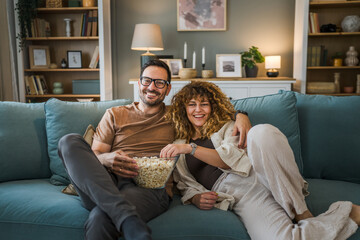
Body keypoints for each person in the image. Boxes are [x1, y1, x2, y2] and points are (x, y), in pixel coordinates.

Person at [58, 60, 251, 240]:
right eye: (147, 80)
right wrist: (107, 159)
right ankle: (127, 218)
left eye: (159, 83)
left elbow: (208, 108)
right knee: (69, 141)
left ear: (167, 89)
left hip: (149, 188)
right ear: (139, 82)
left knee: (100, 218)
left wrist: (241, 115)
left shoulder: (177, 115)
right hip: (104, 181)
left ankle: (122, 216)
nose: (151, 87)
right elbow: (95, 154)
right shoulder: (115, 114)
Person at [160, 81, 360, 240]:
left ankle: (300, 211)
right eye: (192, 104)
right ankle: (349, 214)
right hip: (242, 195)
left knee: (260, 132)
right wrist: (195, 198)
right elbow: (184, 185)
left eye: (204, 104)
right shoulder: (178, 144)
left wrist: (190, 148)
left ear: (213, 107)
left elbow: (227, 161)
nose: (198, 110)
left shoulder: (227, 127)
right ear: (183, 109)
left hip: (264, 172)